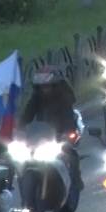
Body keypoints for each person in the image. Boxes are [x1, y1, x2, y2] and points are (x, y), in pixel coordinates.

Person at [17, 66, 83, 196]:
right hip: (40, 135)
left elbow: (68, 118)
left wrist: (67, 134)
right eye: (42, 86)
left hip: (60, 135)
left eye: (47, 86)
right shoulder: (36, 98)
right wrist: (19, 131)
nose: (44, 89)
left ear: (55, 85)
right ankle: (25, 190)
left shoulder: (64, 98)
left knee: (71, 155)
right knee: (22, 161)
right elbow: (26, 116)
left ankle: (75, 184)